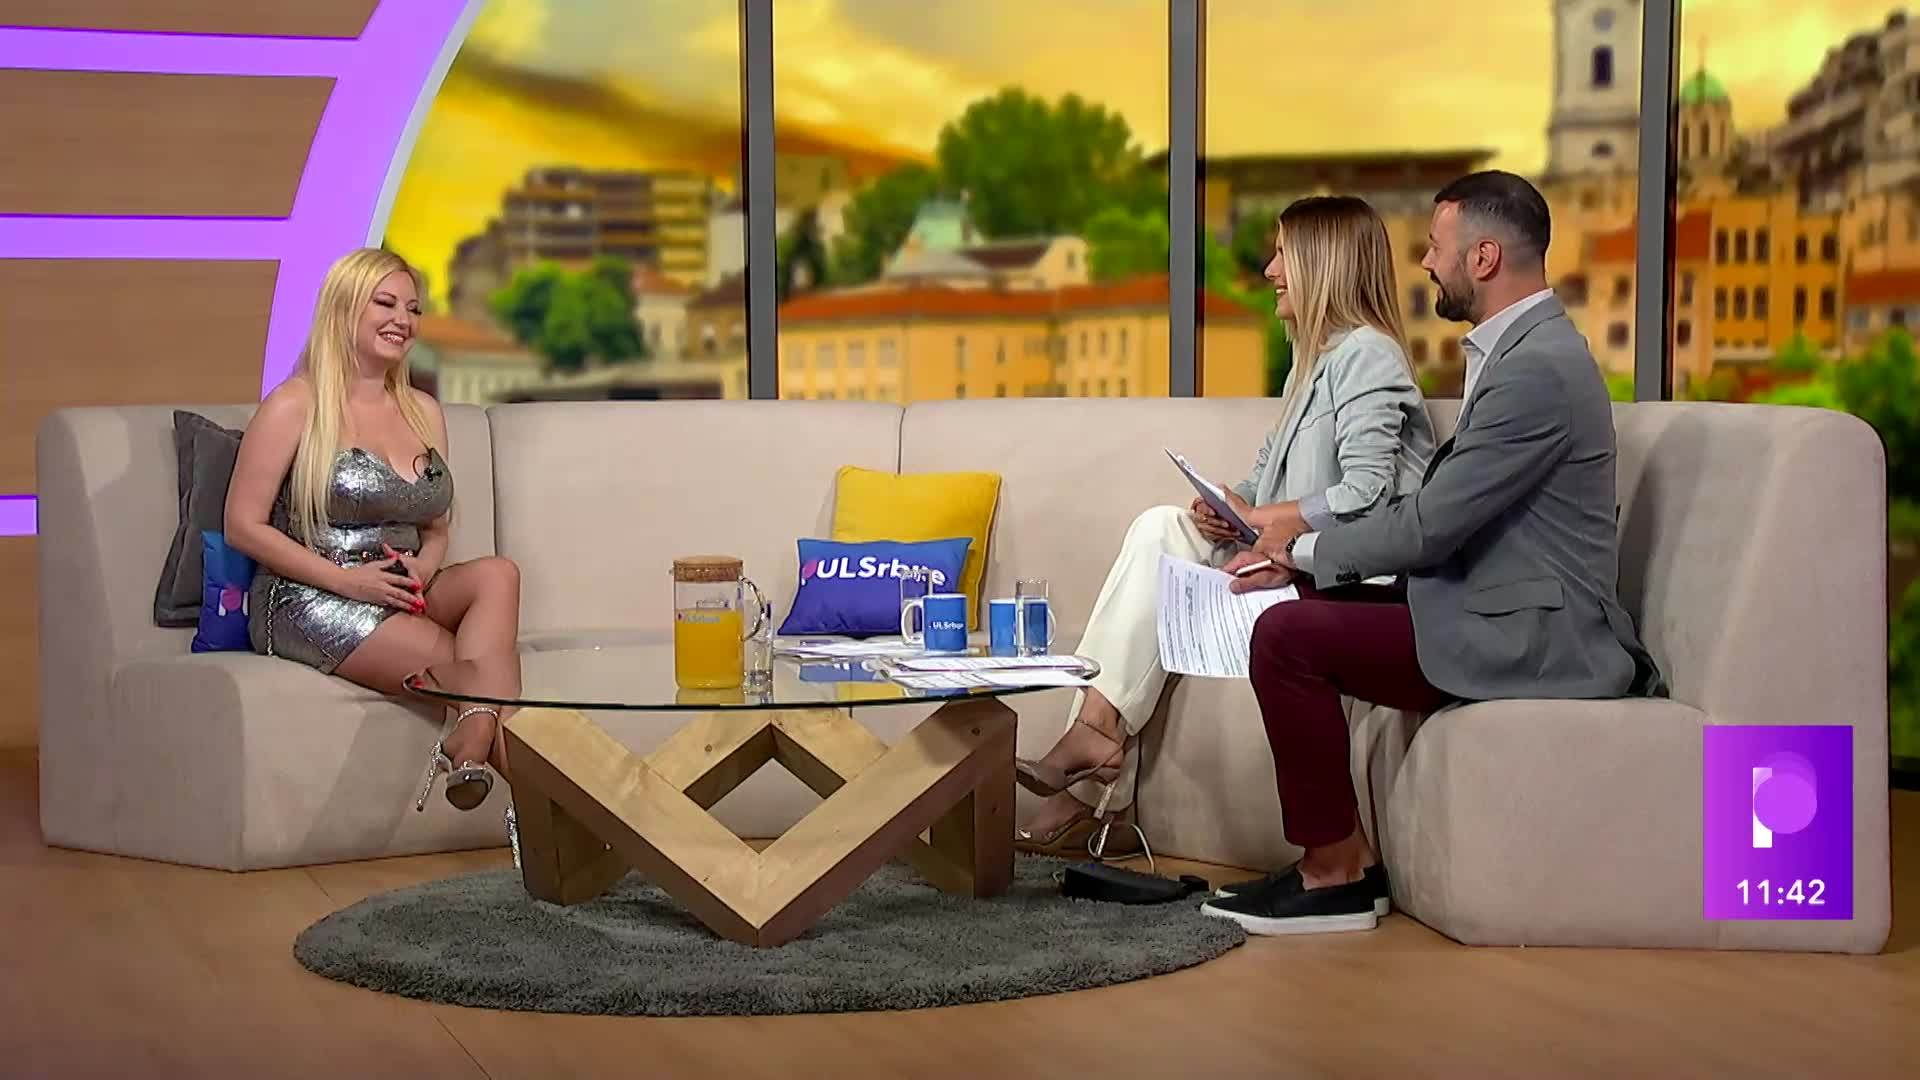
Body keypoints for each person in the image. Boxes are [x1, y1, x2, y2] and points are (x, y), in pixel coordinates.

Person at [1199, 170, 1667, 936]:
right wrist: (1302, 562)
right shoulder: (1520, 353)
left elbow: (1429, 525)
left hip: (1537, 636)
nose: (1423, 263)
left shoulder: (1539, 370)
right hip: (1483, 601)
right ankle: (1341, 860)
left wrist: (1303, 549)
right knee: (1298, 605)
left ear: (1483, 258)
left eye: (1435, 247)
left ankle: (1335, 873)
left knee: (1288, 636)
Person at [1014, 195, 1439, 855]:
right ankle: (1095, 748)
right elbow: (1263, 482)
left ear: (1323, 265)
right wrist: (1227, 505)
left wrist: (1257, 517)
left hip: (1338, 585)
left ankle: (1091, 769)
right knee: (1163, 527)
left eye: (1283, 256)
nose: (1270, 271)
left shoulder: (1368, 356)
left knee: (1158, 553)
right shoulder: (1310, 367)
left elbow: (1369, 495)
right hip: (1277, 566)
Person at [224, 247, 524, 824]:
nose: (402, 320)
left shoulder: (422, 410)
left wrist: (426, 566)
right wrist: (347, 582)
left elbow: (437, 526)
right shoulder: (295, 403)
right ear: (344, 308)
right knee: (481, 672)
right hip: (311, 594)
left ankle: (475, 737)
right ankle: (580, 825)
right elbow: (243, 524)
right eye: (385, 304)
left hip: (399, 585)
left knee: (498, 575)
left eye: (412, 309)